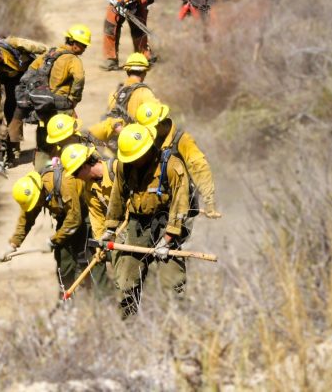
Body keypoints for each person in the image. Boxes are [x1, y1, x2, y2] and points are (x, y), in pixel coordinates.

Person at [104, 123, 192, 318]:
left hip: (167, 224)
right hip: (137, 224)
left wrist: (167, 239)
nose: (134, 161)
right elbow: (117, 197)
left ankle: (177, 323)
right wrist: (110, 228)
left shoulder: (172, 166)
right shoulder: (124, 166)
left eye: (137, 157)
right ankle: (128, 323)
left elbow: (180, 205)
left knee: (172, 281)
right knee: (127, 281)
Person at [9, 24, 90, 157]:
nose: (85, 48)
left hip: (42, 102)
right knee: (68, 136)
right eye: (83, 45)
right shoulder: (73, 60)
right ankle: (67, 161)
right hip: (61, 105)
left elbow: (30, 71)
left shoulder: (49, 53)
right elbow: (79, 78)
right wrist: (74, 99)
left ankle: (41, 164)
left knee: (44, 136)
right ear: (74, 43)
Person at [4, 167, 89, 293]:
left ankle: (90, 296)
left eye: (36, 202)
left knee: (86, 260)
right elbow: (26, 219)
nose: (36, 205)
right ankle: (67, 296)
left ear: (41, 191)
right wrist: (13, 244)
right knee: (63, 265)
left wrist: (53, 241)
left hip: (85, 214)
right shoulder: (34, 191)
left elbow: (74, 219)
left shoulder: (65, 183)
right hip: (66, 220)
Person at [133, 100, 220, 219]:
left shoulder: (183, 141)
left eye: (148, 129)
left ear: (159, 125)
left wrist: (209, 202)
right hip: (151, 205)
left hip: (179, 206)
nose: (146, 133)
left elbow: (199, 167)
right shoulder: (150, 141)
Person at [0, 36, 48, 171]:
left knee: (44, 105)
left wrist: (50, 61)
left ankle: (49, 144)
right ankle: (13, 151)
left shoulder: (14, 43)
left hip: (32, 75)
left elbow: (43, 49)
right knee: (12, 111)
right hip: (13, 83)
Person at [61, 143, 115, 296]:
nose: (76, 177)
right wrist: (99, 243)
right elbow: (97, 217)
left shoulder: (116, 170)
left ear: (84, 166)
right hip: (117, 227)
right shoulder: (89, 188)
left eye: (76, 173)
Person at [88, 53, 157, 145]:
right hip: (138, 142)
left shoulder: (115, 93)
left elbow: (111, 116)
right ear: (144, 72)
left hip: (118, 143)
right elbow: (157, 117)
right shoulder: (145, 93)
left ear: (127, 71)